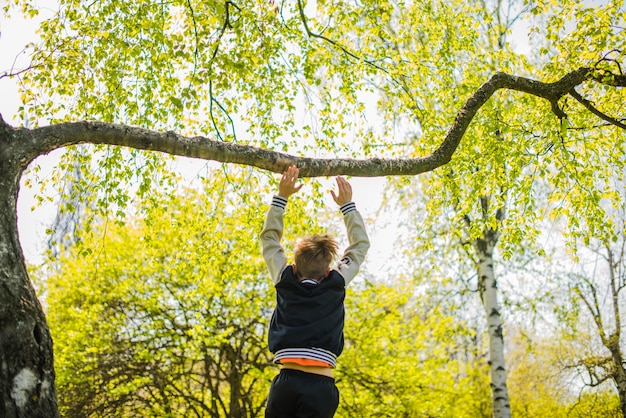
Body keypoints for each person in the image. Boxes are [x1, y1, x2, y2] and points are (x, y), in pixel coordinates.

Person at [260, 165, 370, 418]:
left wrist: (282, 197)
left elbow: (269, 241)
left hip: (285, 382)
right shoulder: (336, 282)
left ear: (294, 266)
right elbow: (360, 245)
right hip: (320, 386)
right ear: (329, 268)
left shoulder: (284, 279)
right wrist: (347, 206)